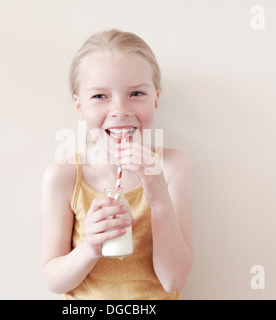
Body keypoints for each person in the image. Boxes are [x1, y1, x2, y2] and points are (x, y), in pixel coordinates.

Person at [41, 29, 193, 299]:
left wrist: (158, 197)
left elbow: (174, 279)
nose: (120, 110)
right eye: (100, 96)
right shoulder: (63, 177)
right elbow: (53, 281)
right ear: (79, 105)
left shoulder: (172, 168)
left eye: (136, 93)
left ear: (156, 98)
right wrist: (91, 246)